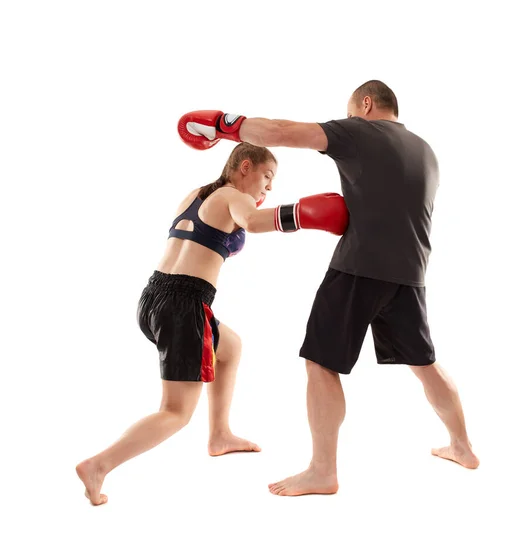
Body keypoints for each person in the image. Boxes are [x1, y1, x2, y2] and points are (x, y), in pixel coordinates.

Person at [178, 79, 480, 497]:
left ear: (367, 104)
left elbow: (281, 132)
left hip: (358, 267)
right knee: (424, 363)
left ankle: (323, 470)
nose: (348, 119)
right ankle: (462, 446)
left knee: (321, 363)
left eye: (353, 111)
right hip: (411, 273)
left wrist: (225, 125)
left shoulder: (358, 130)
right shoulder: (426, 150)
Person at [76, 142, 349, 505]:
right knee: (174, 412)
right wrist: (302, 215)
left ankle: (220, 435)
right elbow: (251, 221)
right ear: (245, 167)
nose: (268, 188)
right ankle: (99, 465)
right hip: (183, 305)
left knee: (230, 346)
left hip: (154, 296)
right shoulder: (235, 196)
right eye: (267, 177)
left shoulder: (199, 194)